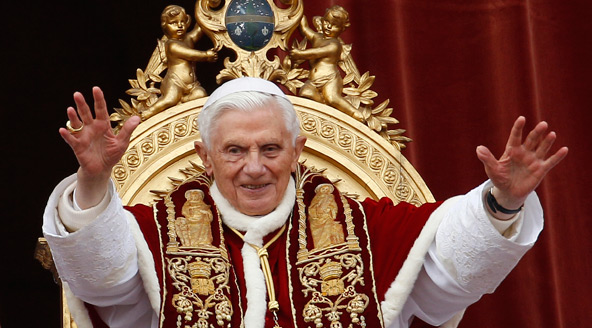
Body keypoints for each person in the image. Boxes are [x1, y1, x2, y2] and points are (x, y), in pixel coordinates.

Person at [44, 77, 567, 328]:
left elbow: (452, 274)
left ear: (298, 150)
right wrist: (93, 181)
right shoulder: (153, 233)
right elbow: (100, 283)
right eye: (234, 150)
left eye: (270, 148)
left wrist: (502, 199)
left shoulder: (367, 229)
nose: (255, 166)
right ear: (204, 156)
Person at [141, 5, 217, 120]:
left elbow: (199, 28)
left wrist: (206, 10)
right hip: (175, 82)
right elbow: (190, 54)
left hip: (192, 84)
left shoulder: (188, 38)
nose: (180, 25)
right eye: (174, 23)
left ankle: (183, 101)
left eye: (182, 21)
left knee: (200, 95)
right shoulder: (171, 45)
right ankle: (148, 112)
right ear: (165, 27)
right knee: (170, 99)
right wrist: (206, 55)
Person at [290, 6, 365, 122]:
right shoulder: (317, 37)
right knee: (305, 92)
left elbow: (316, 53)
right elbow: (304, 29)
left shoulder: (335, 45)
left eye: (335, 25)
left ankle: (354, 113)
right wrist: (297, 11)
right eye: (326, 22)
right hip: (313, 80)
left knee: (332, 98)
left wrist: (300, 54)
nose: (329, 27)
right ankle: (324, 106)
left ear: (342, 29)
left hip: (330, 79)